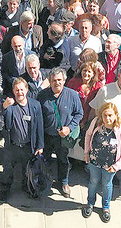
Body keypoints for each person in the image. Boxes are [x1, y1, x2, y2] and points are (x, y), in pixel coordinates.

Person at [82, 102, 121, 223]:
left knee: (106, 185)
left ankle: (105, 207)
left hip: (110, 166)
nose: (108, 118)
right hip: (94, 161)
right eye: (105, 115)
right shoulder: (95, 123)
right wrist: (86, 153)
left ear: (115, 115)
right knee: (93, 182)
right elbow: (88, 135)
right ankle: (90, 203)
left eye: (110, 115)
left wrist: (117, 165)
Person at [37, 68, 83, 198]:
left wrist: (70, 128)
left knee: (63, 160)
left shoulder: (73, 95)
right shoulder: (42, 96)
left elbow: (79, 113)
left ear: (64, 81)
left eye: (59, 80)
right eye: (54, 80)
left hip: (63, 138)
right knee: (45, 159)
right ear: (50, 81)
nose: (57, 83)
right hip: (46, 135)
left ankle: (64, 182)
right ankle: (44, 180)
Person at [0, 77, 44, 202]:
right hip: (12, 146)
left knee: (28, 170)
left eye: (22, 89)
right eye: (17, 90)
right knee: (8, 170)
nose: (20, 92)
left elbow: (40, 127)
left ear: (27, 90)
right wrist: (4, 106)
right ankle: (5, 190)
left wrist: (40, 146)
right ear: (13, 91)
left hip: (28, 146)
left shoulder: (35, 106)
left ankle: (28, 187)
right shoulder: (10, 105)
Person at [67, 61, 103, 129]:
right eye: (84, 70)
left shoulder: (98, 87)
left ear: (93, 74)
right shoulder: (73, 82)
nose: (86, 73)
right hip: (73, 118)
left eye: (89, 71)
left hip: (90, 119)